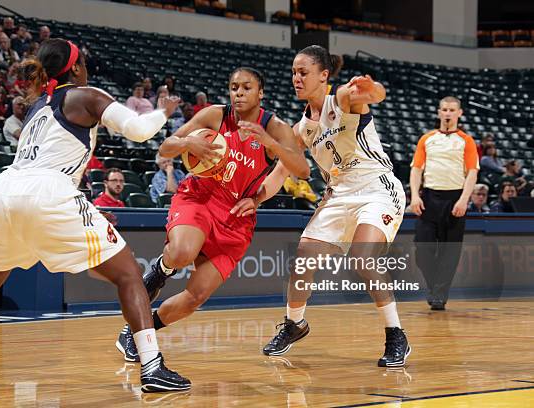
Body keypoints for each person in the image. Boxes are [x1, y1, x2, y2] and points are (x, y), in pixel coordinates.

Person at [0, 38, 190, 393]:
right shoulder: (85, 94)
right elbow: (139, 131)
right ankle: (152, 367)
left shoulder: (38, 108)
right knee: (129, 275)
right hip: (47, 190)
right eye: (84, 64)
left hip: (3, 190)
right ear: (76, 68)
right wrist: (165, 111)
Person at [115, 67, 310, 362]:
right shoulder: (215, 115)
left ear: (261, 93)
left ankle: (137, 333)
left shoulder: (275, 127)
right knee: (181, 252)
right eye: (234, 87)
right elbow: (165, 149)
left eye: (247, 87)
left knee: (196, 296)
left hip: (236, 217)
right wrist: (186, 143)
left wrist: (268, 148)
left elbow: (302, 170)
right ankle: (161, 271)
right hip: (201, 198)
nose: (239, 93)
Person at [260, 45, 410, 367]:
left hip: (376, 187)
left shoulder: (341, 98)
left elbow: (375, 95)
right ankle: (294, 323)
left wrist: (373, 89)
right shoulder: (300, 130)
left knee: (363, 256)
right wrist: (252, 199)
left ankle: (395, 333)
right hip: (339, 194)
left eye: (303, 72)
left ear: (323, 75)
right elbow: (278, 175)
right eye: (293, 73)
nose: (296, 79)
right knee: (303, 256)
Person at [410, 96, 479, 311]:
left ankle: (439, 295)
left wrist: (464, 200)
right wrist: (414, 195)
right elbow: (416, 169)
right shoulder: (426, 139)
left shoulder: (466, 141)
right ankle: (435, 288)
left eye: (451, 110)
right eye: (444, 109)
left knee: (450, 252)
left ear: (459, 113)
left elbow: (472, 172)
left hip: (455, 199)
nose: (447, 113)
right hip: (429, 198)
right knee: (422, 250)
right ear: (439, 112)